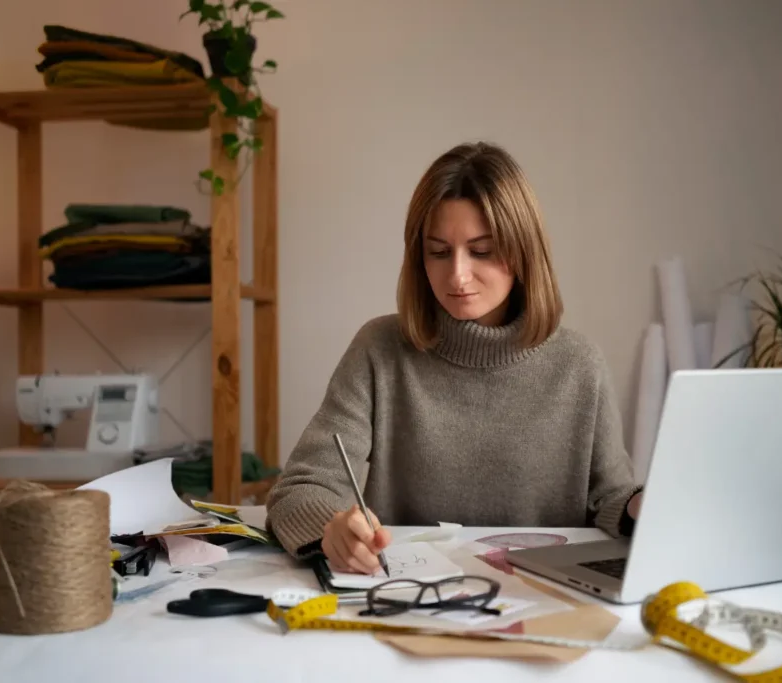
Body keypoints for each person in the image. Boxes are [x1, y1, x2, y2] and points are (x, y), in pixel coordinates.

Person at [266, 141, 644, 574]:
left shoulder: (579, 363)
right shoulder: (380, 349)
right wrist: (331, 527)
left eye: (482, 250)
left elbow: (610, 502)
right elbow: (301, 487)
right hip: (406, 594)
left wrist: (641, 505)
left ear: (524, 252)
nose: (458, 276)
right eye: (439, 252)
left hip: (545, 597)